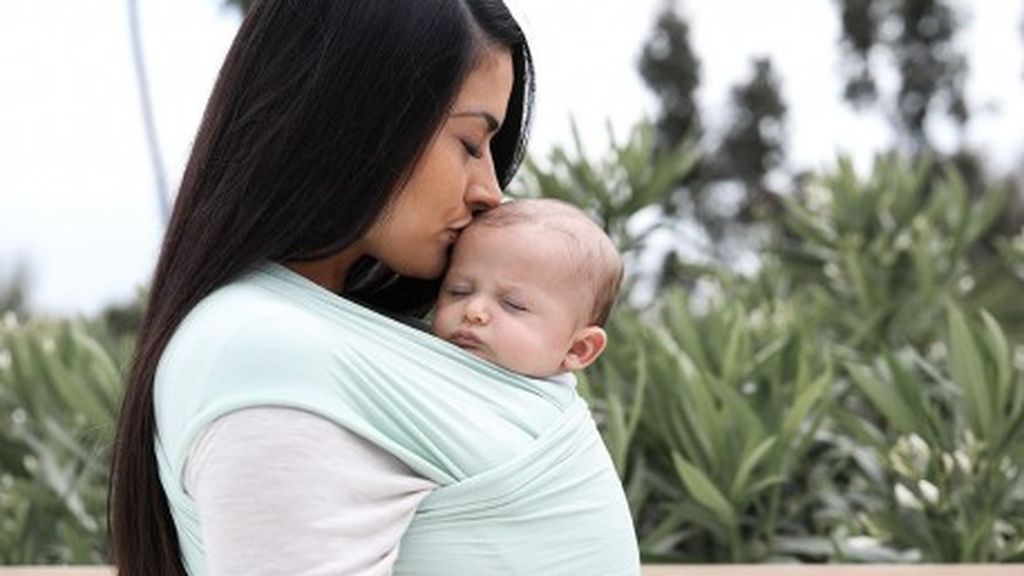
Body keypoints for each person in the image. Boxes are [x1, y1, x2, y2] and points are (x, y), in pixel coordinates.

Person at [110, 1, 640, 575]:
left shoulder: (330, 334)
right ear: (357, 119)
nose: (491, 189)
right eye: (469, 143)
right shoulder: (267, 353)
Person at [431, 198, 623, 380]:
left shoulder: (556, 413)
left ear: (577, 349)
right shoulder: (417, 363)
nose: (473, 310)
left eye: (513, 305)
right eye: (459, 291)